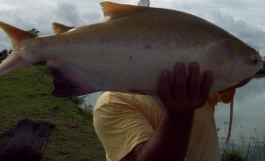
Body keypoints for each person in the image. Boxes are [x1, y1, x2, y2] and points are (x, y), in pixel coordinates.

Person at [93, 62, 249, 161]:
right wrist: (179, 113)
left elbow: (240, 74)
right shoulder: (113, 102)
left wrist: (244, 57)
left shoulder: (197, 86)